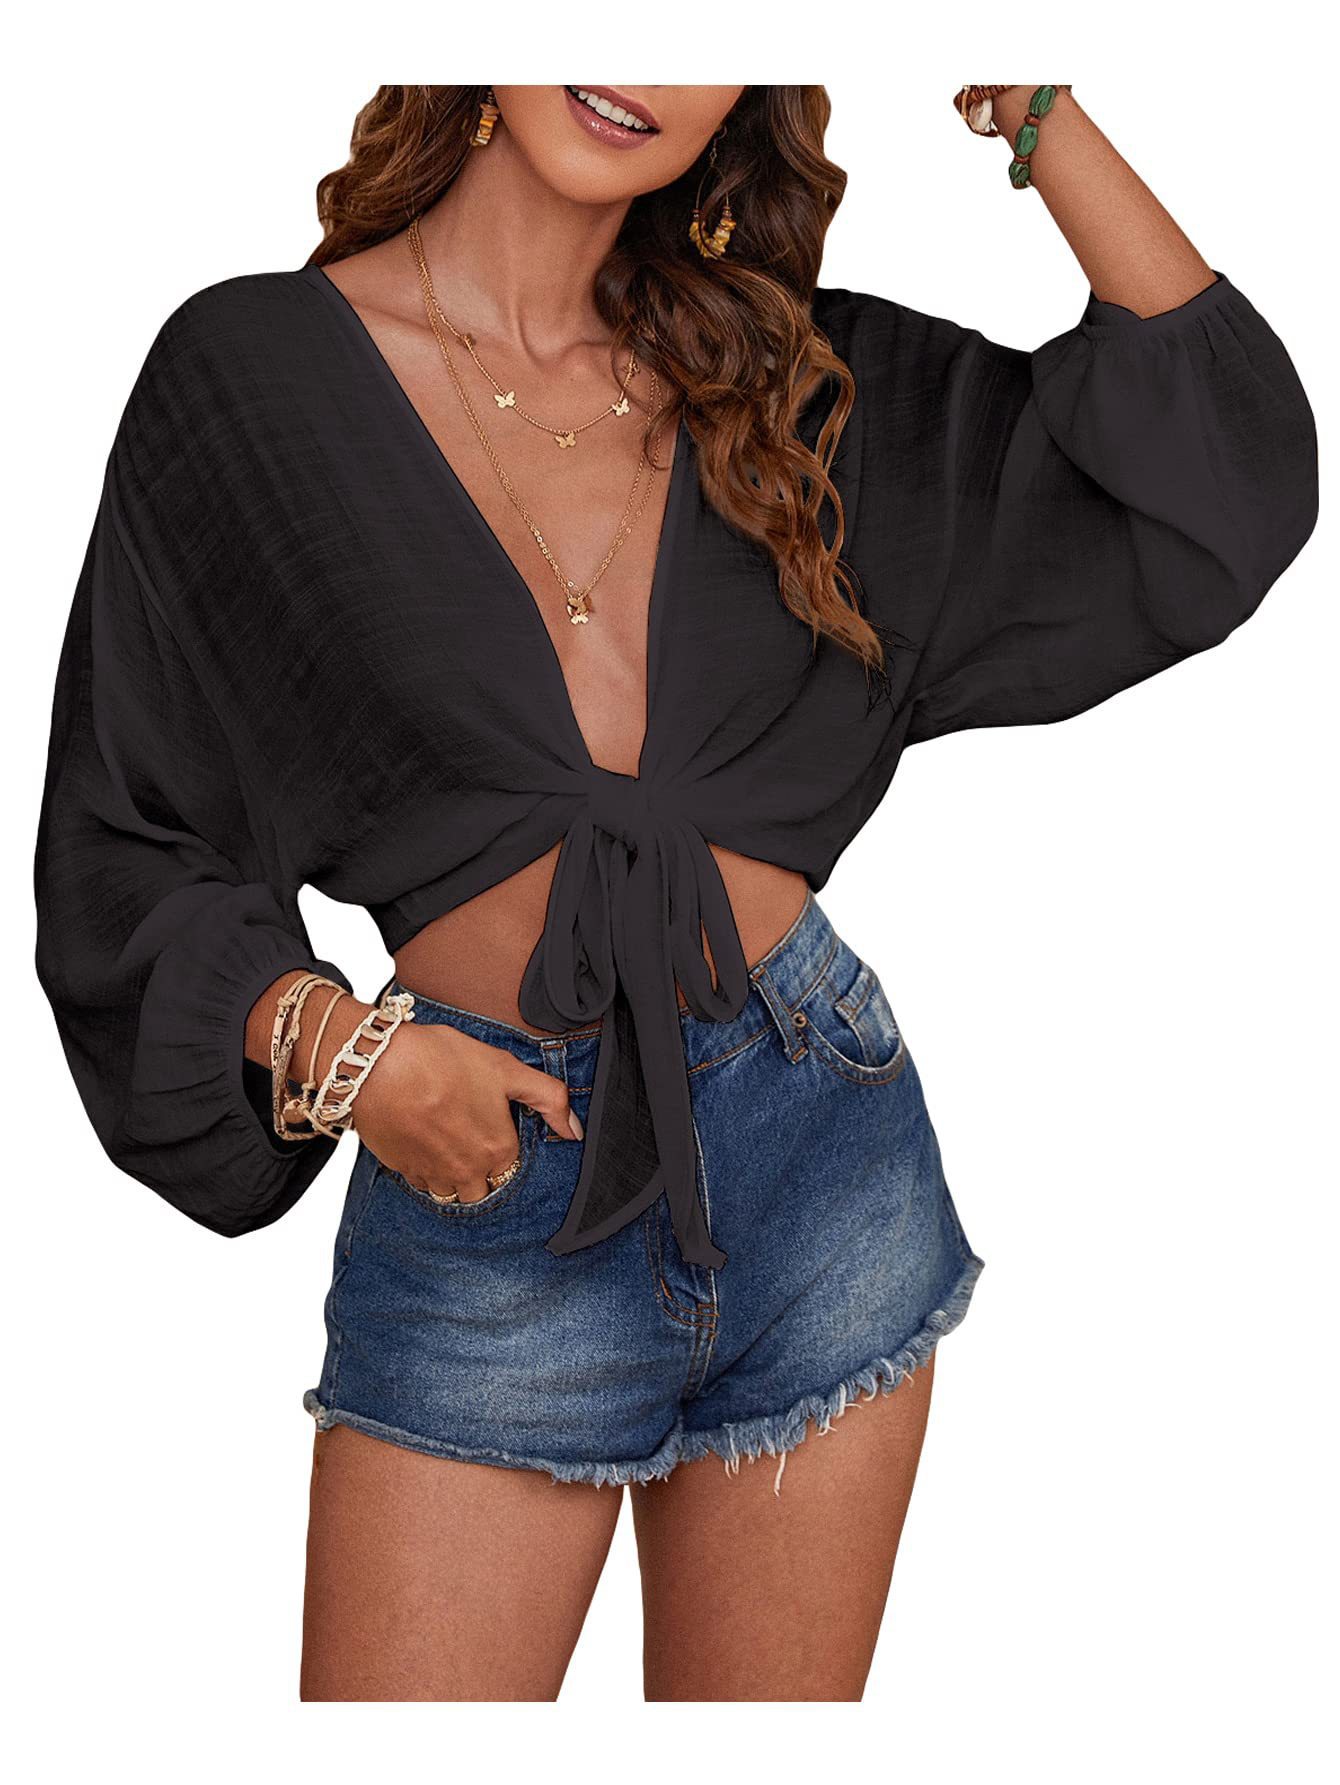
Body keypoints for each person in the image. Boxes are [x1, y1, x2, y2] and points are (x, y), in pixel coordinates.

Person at [34, 84, 1317, 1701]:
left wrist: (1037, 100)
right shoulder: (251, 377)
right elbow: (121, 836)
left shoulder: (795, 380)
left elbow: (1224, 491)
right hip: (494, 1184)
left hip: (821, 1157)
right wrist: (349, 1053)